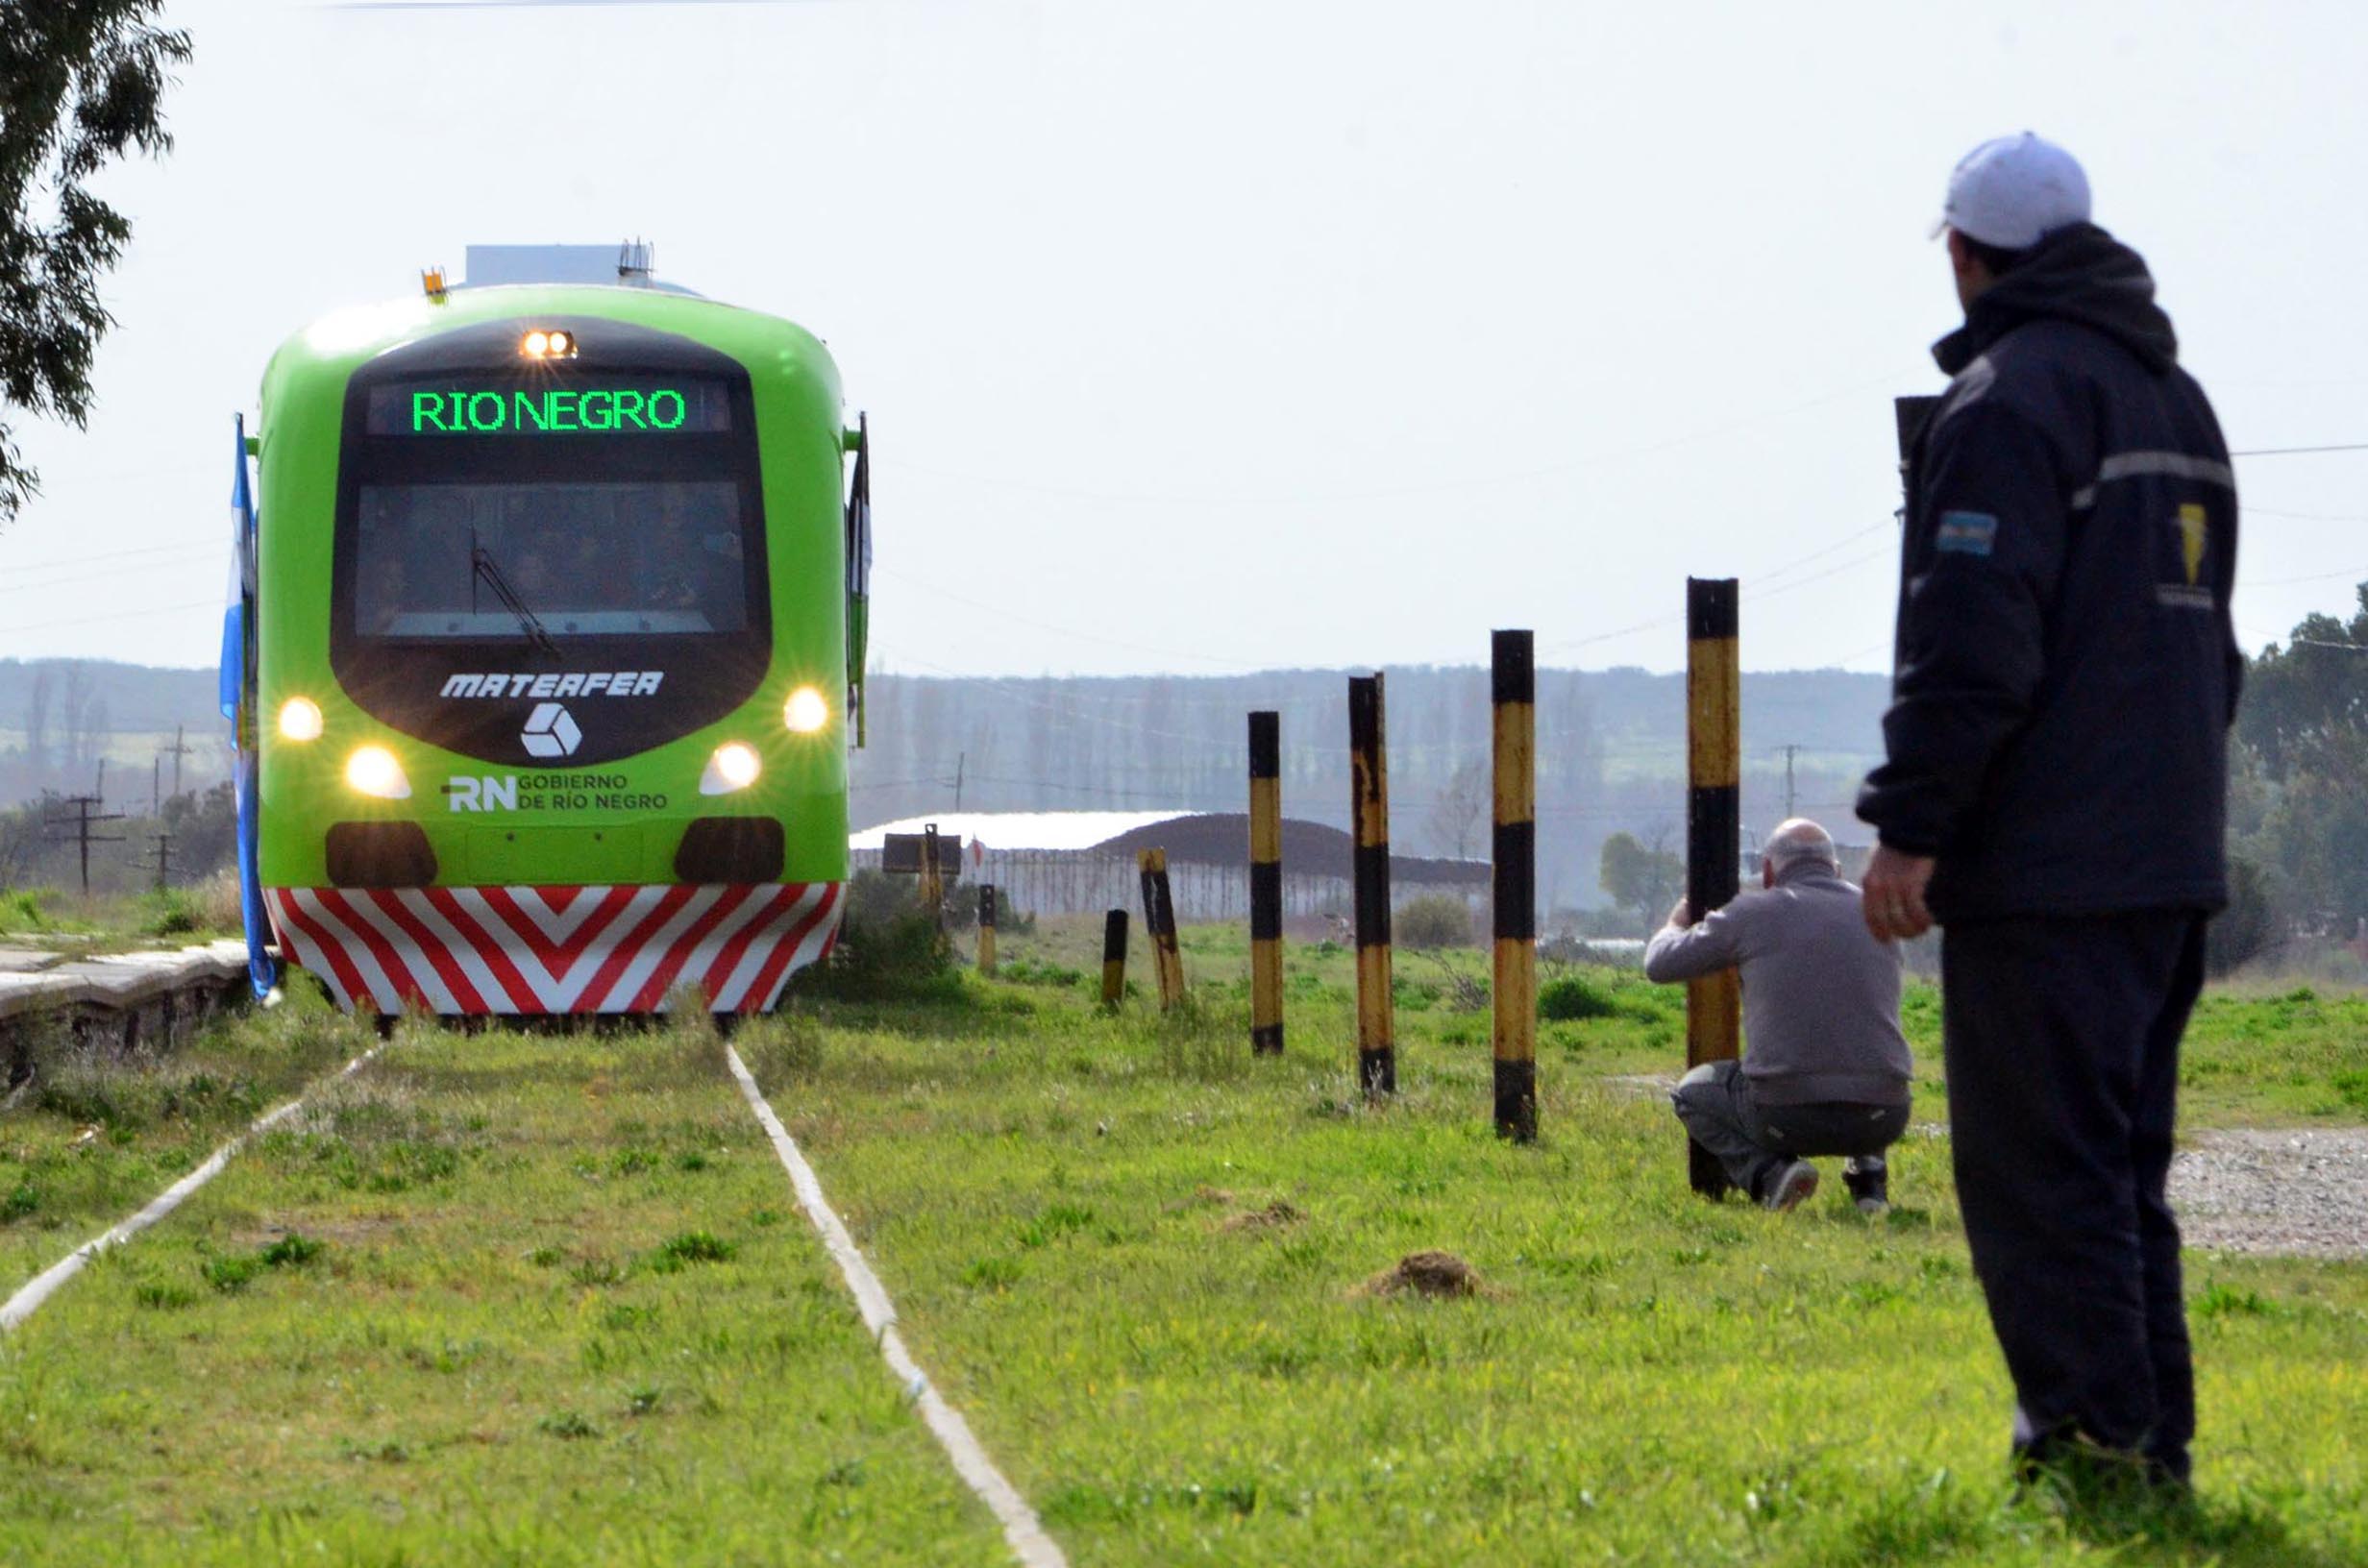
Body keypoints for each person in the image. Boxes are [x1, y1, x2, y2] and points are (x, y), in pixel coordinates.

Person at [1857, 133, 2240, 1492]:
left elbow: (1974, 642)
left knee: (2041, 1181)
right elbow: (2217, 660)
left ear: (1965, 255)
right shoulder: (2174, 402)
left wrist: (1913, 827)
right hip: (2168, 864)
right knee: (2119, 1178)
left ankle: (2087, 1450)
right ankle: (2151, 1453)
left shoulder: (2008, 404)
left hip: (2048, 874)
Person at [1644, 819, 1913, 1213]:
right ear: (1836, 870)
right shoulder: (1880, 915)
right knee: (1860, 1048)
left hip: (1785, 1114)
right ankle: (1870, 1180)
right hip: (1885, 1114)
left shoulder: (1753, 912)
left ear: (1769, 873)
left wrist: (1676, 921)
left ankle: (1772, 1173)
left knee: (1691, 1092)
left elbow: (1660, 965)